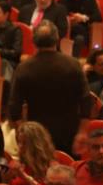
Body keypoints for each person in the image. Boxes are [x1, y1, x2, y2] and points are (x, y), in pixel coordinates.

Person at [8, 23, 86, 154]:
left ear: (34, 41)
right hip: (69, 132)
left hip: (37, 134)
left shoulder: (24, 68)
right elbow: (86, 100)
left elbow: (14, 106)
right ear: (57, 39)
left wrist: (22, 133)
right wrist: (82, 132)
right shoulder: (73, 65)